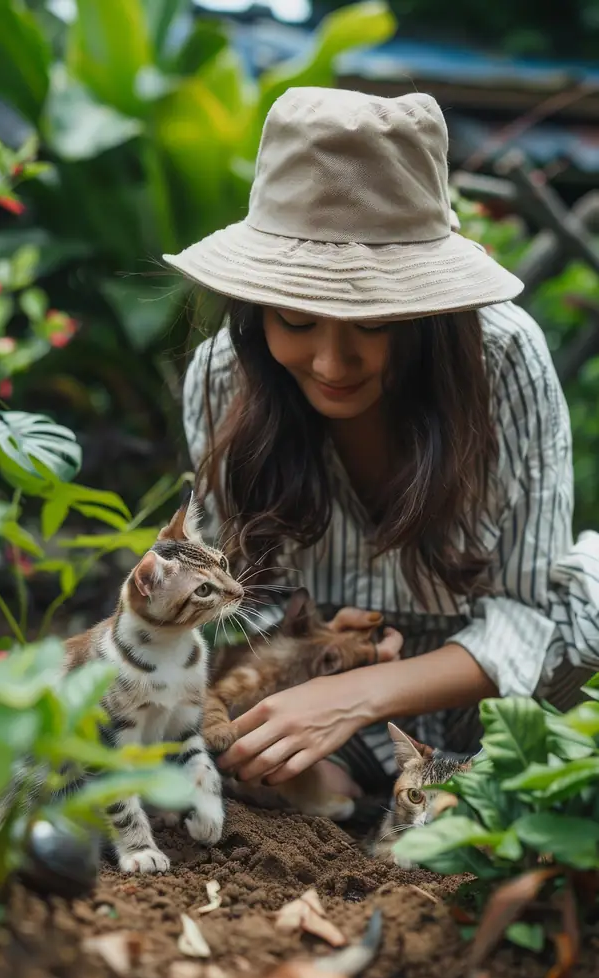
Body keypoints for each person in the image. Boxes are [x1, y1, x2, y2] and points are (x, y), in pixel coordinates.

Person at [163, 87, 599, 804]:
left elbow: (530, 611)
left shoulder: (503, 360)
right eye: (295, 318)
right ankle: (353, 800)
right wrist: (324, 647)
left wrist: (365, 692)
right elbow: (242, 604)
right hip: (310, 689)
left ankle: (448, 795)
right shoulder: (223, 378)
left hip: (493, 700)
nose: (333, 363)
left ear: (428, 313)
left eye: (373, 324)